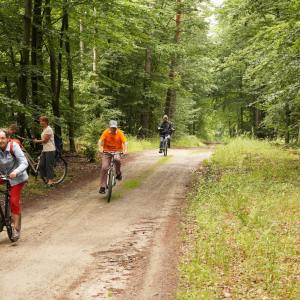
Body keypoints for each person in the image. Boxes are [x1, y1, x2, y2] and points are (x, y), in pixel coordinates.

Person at [0, 128, 28, 240]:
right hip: (2, 175)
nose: (0, 140)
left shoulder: (14, 147)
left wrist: (16, 171)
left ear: (8, 138)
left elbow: (24, 162)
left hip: (16, 177)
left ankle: (16, 229)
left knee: (14, 201)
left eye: (2, 138)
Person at [97, 120, 128, 194]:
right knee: (104, 167)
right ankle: (102, 187)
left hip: (117, 150)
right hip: (107, 151)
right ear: (109, 127)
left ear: (117, 127)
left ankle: (118, 173)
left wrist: (126, 150)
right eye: (112, 128)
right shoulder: (106, 132)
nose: (113, 129)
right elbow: (100, 141)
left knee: (117, 159)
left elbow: (125, 142)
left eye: (115, 128)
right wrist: (99, 148)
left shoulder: (119, 133)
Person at [32, 116, 56, 187]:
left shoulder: (48, 129)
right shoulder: (44, 129)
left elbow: (45, 140)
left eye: (42, 121)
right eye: (40, 121)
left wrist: (36, 141)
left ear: (46, 122)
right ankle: (46, 180)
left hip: (50, 150)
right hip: (45, 150)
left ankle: (51, 182)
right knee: (41, 165)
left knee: (49, 165)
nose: (41, 122)